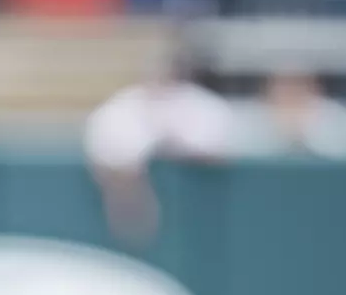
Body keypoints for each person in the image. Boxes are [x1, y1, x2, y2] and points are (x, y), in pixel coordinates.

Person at [83, 55, 233, 244]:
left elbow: (217, 151)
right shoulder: (124, 106)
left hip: (204, 206)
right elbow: (109, 154)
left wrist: (177, 145)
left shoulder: (200, 104)